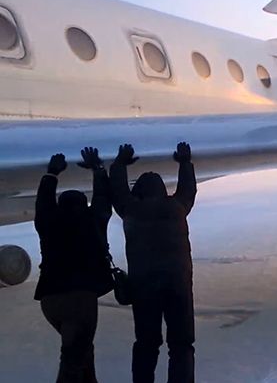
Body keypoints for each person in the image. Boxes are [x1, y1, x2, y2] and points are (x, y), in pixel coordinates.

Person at [110, 143, 197, 383]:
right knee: (182, 343)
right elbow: (188, 190)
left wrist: (120, 163)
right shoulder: (177, 208)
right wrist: (184, 162)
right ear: (162, 190)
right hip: (178, 283)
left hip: (144, 286)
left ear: (138, 191)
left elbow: (117, 190)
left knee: (146, 343)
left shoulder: (131, 209)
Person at [34, 148, 114, 383]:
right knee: (72, 360)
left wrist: (52, 173)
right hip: (81, 299)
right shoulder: (93, 220)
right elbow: (102, 199)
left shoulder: (49, 221)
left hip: (50, 300)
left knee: (79, 352)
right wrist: (97, 168)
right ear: (83, 205)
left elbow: (43, 203)